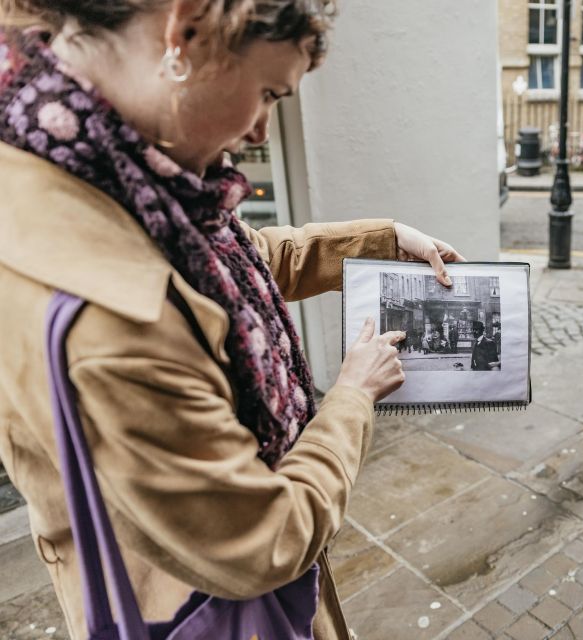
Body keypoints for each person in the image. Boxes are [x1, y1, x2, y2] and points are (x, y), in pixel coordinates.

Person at [0, 2, 465, 638]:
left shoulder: (97, 166)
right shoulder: (110, 318)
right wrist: (352, 397)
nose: (261, 132)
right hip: (197, 607)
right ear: (185, 31)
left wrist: (383, 239)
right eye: (269, 93)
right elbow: (264, 541)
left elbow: (235, 265)